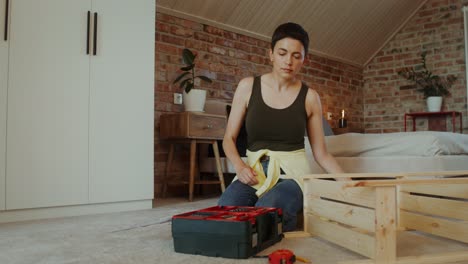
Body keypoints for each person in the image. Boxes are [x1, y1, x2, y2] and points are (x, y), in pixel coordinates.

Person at [218, 22, 345, 232]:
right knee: (226, 210)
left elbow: (322, 154)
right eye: (283, 53)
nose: (289, 61)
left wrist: (349, 182)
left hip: (292, 175)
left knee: (267, 211)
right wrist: (240, 167)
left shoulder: (310, 97)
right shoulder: (247, 87)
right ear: (271, 54)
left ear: (305, 60)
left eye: (297, 56)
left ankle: (288, 213)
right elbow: (228, 139)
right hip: (255, 172)